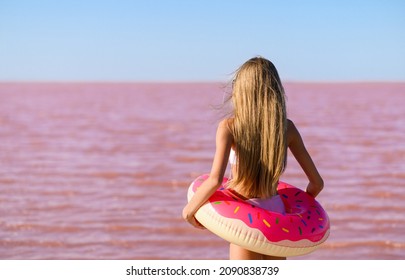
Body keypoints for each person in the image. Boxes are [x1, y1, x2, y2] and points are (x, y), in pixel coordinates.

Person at [182, 57, 324, 260]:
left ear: (241, 91)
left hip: (246, 217)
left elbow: (214, 181)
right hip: (277, 215)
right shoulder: (287, 128)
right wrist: (303, 204)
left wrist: (189, 211)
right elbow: (317, 183)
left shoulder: (229, 127)